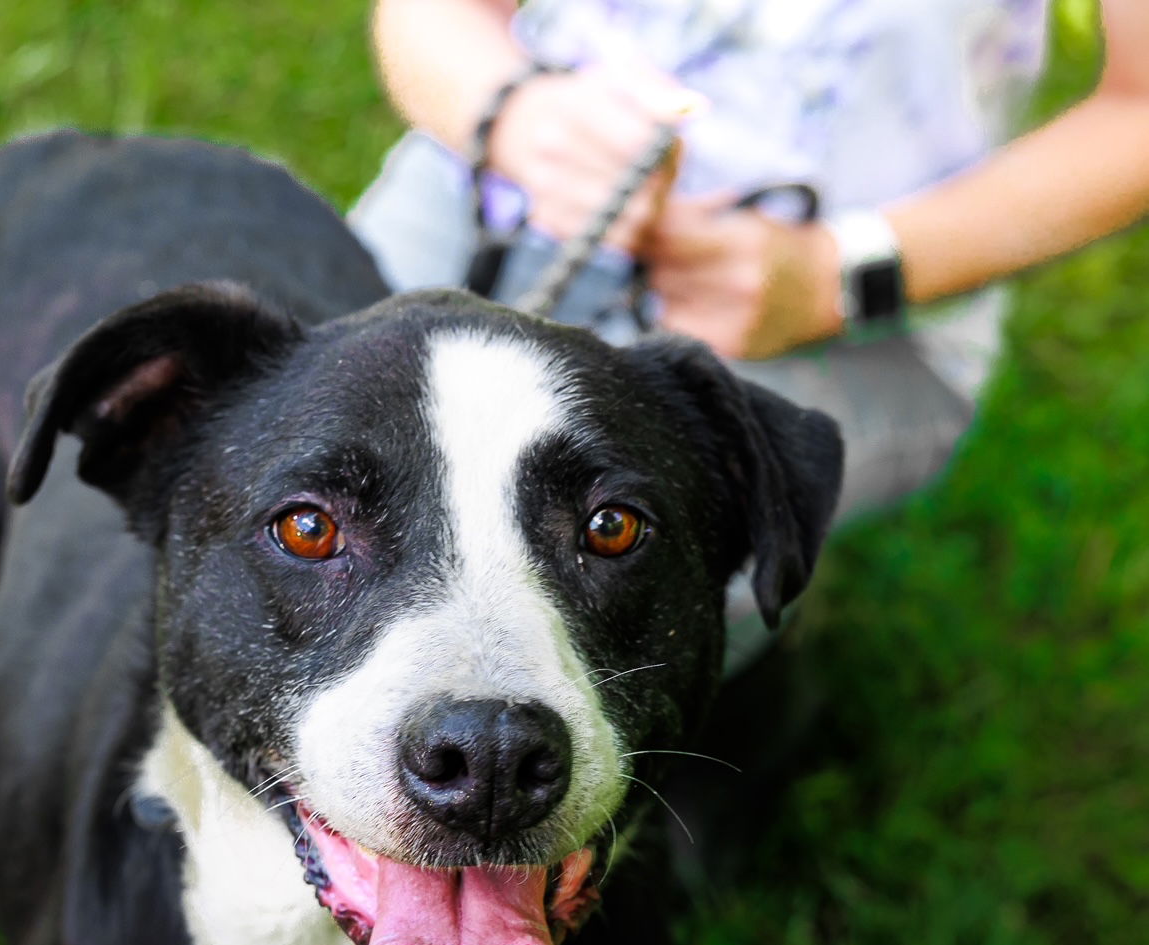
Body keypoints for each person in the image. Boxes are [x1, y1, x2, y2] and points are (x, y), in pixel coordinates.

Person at [350, 0, 1149, 672]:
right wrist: (508, 108)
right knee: (313, 464)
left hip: (871, 304)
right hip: (488, 187)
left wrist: (842, 271)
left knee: (645, 577)